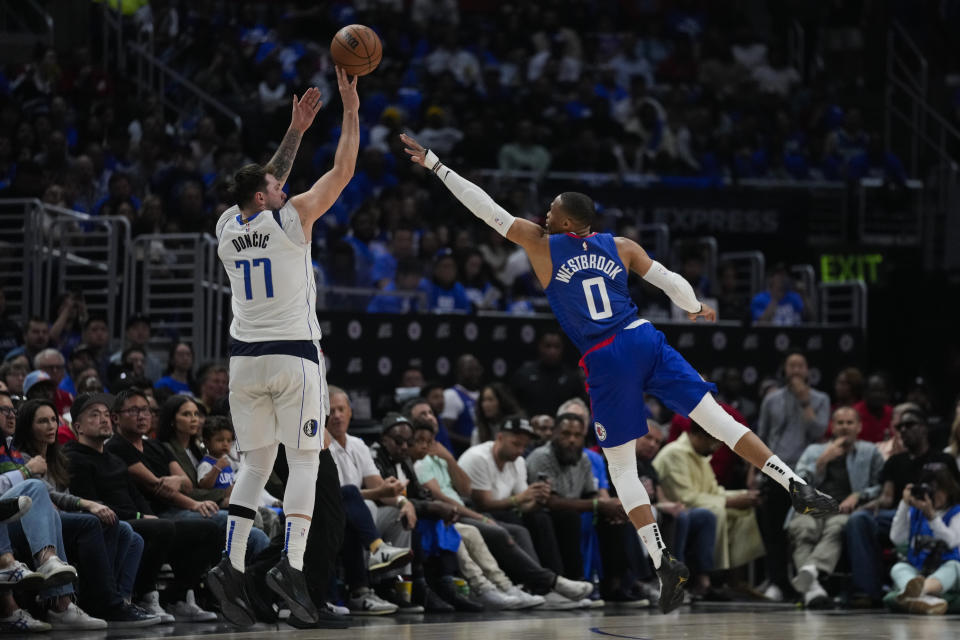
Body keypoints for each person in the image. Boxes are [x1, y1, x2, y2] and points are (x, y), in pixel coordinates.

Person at [401, 133, 838, 612]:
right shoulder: (622, 245)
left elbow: (485, 208)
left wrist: (436, 165)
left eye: (551, 211)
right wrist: (694, 307)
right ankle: (794, 483)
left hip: (605, 355)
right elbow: (668, 279)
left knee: (622, 467)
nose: (544, 215)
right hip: (643, 336)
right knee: (718, 419)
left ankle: (662, 560)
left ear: (567, 221)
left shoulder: (541, 245)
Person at [207, 70, 360, 628]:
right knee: (304, 460)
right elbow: (343, 169)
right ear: (265, 197)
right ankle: (292, 566)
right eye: (275, 187)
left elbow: (265, 177)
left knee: (254, 463)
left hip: (243, 359)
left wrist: (296, 130)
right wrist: (350, 110)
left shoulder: (227, 225)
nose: (283, 187)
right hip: (294, 355)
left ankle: (231, 561)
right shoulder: (294, 221)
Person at [790, 406, 884, 608]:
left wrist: (859, 495)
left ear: (859, 427)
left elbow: (881, 486)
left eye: (850, 423)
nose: (845, 427)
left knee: (837, 528)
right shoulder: (814, 451)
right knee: (803, 529)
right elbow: (797, 483)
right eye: (840, 423)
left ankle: (811, 576)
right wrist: (821, 463)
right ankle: (813, 585)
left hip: (844, 510)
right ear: (832, 427)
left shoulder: (870, 452)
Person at [889, 466, 960, 614]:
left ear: (949, 489)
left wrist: (932, 517)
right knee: (898, 568)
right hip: (920, 570)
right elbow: (896, 538)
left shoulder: (956, 512)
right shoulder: (916, 512)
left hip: (946, 571)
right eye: (931, 491)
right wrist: (904, 505)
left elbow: (951, 542)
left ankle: (918, 593)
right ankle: (926, 600)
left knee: (953, 567)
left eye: (939, 490)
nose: (935, 496)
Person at [510, 331, 585, 418]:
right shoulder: (524, 375)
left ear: (562, 348)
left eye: (556, 347)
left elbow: (579, 406)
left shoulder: (572, 378)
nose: (552, 351)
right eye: (548, 346)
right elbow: (513, 403)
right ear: (539, 346)